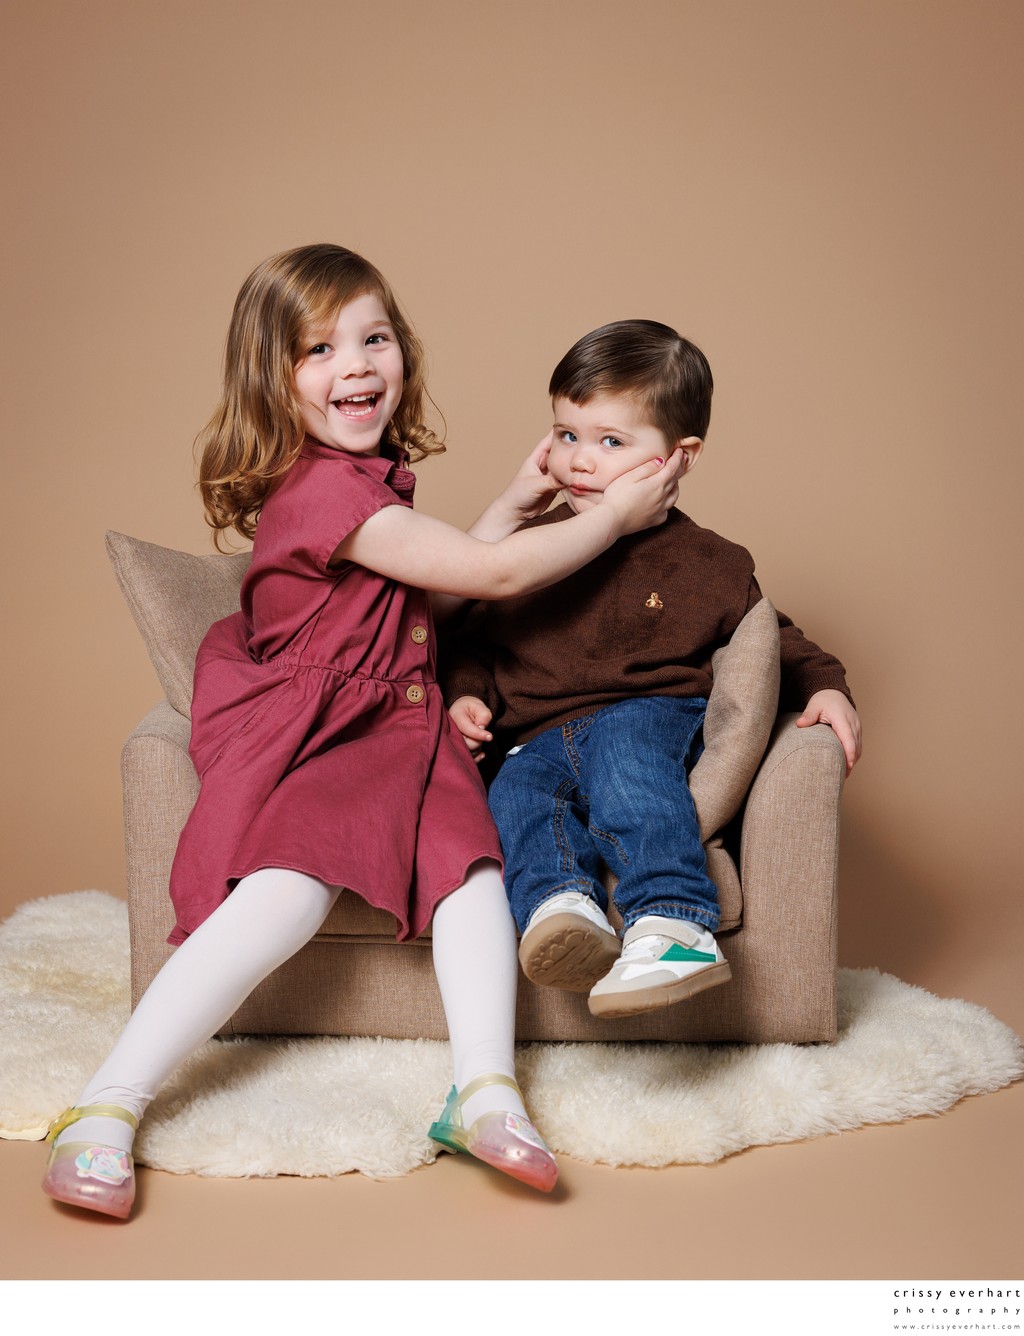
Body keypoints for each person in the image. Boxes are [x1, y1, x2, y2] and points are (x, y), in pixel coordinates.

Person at [41, 249, 684, 1218]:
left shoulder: (368, 480)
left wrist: (511, 502)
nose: (357, 363)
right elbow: (491, 578)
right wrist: (616, 513)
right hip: (325, 728)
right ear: (272, 376)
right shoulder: (324, 493)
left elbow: (424, 580)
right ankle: (105, 1105)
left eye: (374, 337)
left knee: (474, 880)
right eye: (320, 348)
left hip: (401, 719)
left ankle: (483, 1091)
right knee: (286, 893)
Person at [443, 320, 862, 1020]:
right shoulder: (531, 551)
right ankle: (561, 910)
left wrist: (826, 686)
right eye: (568, 434)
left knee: (626, 768)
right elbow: (476, 641)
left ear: (678, 457)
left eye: (612, 442)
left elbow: (770, 636)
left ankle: (673, 923)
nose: (581, 461)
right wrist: (465, 697)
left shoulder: (710, 562)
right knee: (516, 797)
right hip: (535, 736)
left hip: (649, 714)